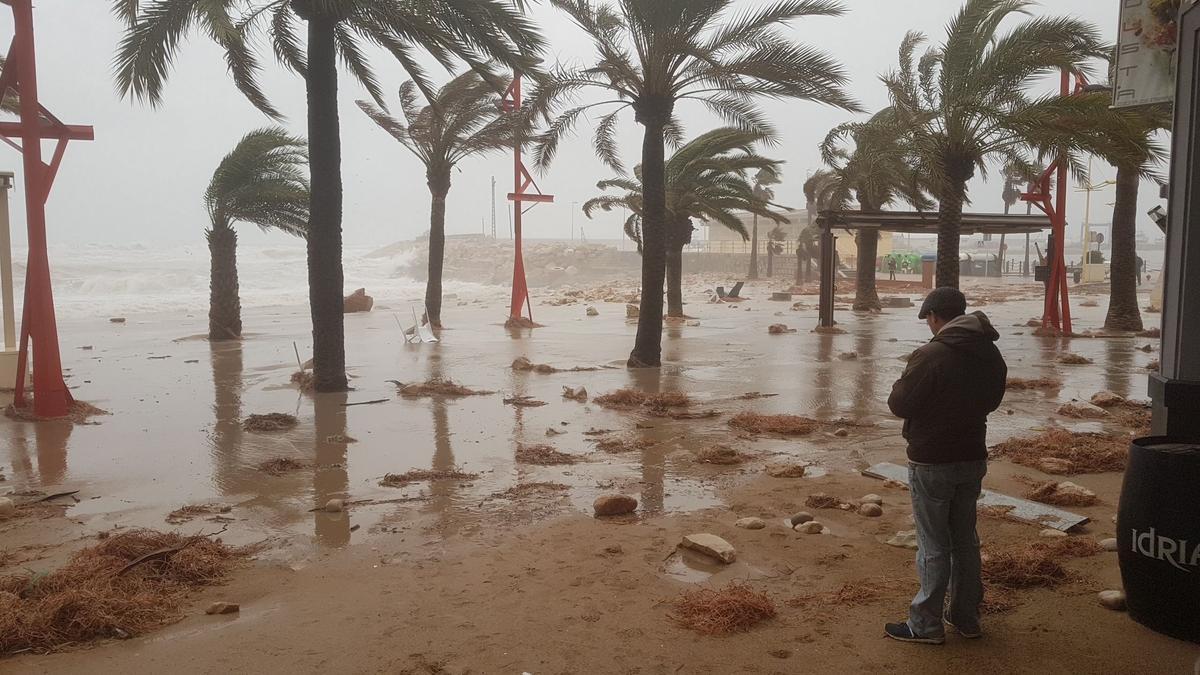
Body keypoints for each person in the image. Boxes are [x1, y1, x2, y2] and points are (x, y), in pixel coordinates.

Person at [884, 287, 1007, 644]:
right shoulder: (990, 351)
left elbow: (900, 404)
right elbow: (994, 400)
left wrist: (900, 382)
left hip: (932, 459)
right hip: (972, 455)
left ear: (935, 316)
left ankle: (925, 625)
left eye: (928, 319)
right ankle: (966, 617)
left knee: (933, 543)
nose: (928, 325)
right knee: (965, 540)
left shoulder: (930, 354)